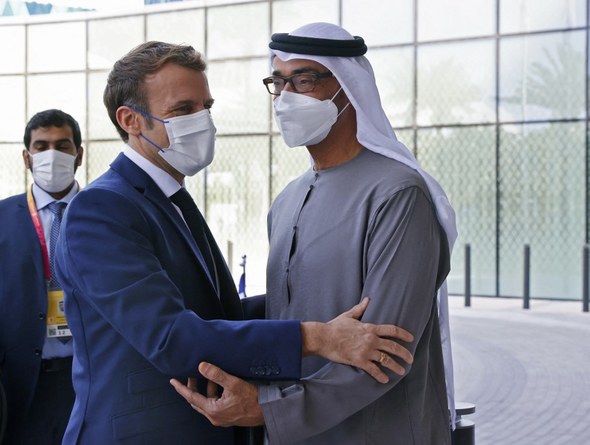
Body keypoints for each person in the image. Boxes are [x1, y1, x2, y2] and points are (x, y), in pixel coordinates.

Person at [53, 41, 416, 445]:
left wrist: (314, 306)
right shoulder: (101, 209)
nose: (203, 121)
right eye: (183, 110)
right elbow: (172, 339)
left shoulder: (171, 200)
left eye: (205, 107)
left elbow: (215, 313)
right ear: (131, 120)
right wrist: (319, 337)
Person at [171, 22, 458, 445]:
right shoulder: (287, 200)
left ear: (348, 87)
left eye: (303, 80)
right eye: (278, 83)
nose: (286, 98)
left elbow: (386, 351)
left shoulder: (398, 194)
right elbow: (291, 312)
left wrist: (267, 408)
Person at [0, 109, 84, 444]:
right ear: (27, 157)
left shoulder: (107, 212)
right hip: (21, 385)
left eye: (62, 145)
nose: (51, 154)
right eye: (41, 146)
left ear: (78, 154)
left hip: (92, 380)